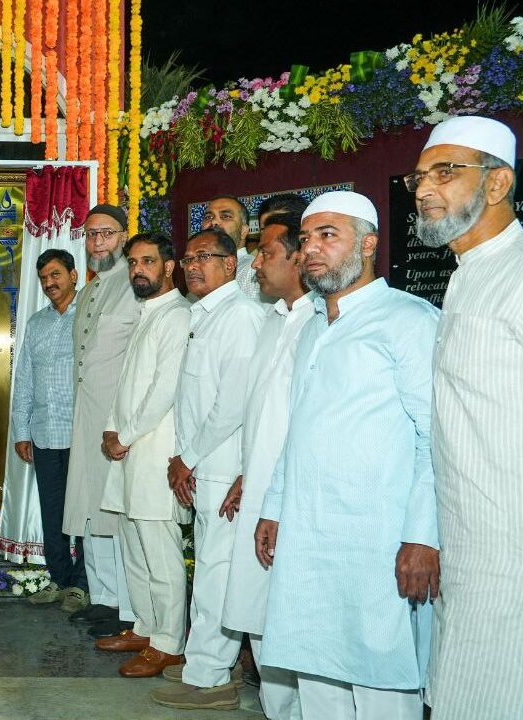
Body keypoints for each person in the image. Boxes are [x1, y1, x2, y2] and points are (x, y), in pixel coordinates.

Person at [256, 191, 438, 719]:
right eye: (307, 238)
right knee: (316, 673)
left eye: (328, 236)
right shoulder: (314, 327)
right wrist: (275, 505)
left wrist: (423, 535)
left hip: (377, 542)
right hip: (310, 537)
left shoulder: (408, 319)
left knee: (383, 679)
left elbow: (434, 437)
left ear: (369, 244)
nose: (311, 249)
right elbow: (299, 432)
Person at [411, 116, 523, 719]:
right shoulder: (468, 278)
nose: (423, 189)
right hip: (469, 543)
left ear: (497, 186)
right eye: (420, 176)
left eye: (445, 172)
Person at [150, 227, 263, 711]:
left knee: (218, 575)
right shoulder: (205, 316)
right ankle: (201, 663)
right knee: (211, 573)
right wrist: (185, 457)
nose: (193, 265)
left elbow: (231, 406)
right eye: (189, 257)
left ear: (231, 264)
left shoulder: (239, 317)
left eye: (206, 257)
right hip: (203, 468)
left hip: (222, 469)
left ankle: (213, 679)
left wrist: (186, 458)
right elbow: (193, 400)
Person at [219, 214, 309, 720]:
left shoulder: (318, 322)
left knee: (288, 614)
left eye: (266, 252)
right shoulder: (274, 318)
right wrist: (246, 474)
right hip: (259, 488)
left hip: (292, 497)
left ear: (298, 258)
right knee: (259, 612)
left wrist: (270, 488)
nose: (256, 261)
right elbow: (261, 412)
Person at [97, 233, 191, 678]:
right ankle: (146, 627)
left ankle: (170, 642)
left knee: (159, 549)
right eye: (133, 262)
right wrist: (112, 428)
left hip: (156, 450)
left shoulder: (176, 315)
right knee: (134, 545)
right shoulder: (146, 314)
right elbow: (128, 384)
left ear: (169, 266)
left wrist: (126, 435)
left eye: (147, 261)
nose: (138, 270)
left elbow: (164, 391)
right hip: (131, 448)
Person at [63, 204, 140, 637]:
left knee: (115, 512)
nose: (98, 243)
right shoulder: (89, 291)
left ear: (123, 237)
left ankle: (127, 609)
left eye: (106, 234)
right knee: (90, 509)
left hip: (116, 419)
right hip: (85, 415)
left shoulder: (135, 286)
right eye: (91, 235)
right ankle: (104, 597)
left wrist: (123, 420)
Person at [11, 249, 86, 607]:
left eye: (55, 275)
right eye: (43, 278)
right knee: (52, 510)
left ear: (73, 274)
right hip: (44, 433)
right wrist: (21, 431)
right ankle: (58, 579)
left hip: (81, 434)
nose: (49, 283)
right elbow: (24, 379)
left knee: (83, 513)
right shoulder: (36, 323)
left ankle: (82, 585)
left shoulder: (88, 316)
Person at [200, 195, 262, 302]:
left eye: (226, 216)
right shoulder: (196, 270)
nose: (214, 222)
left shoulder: (251, 271)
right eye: (208, 217)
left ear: (243, 231)